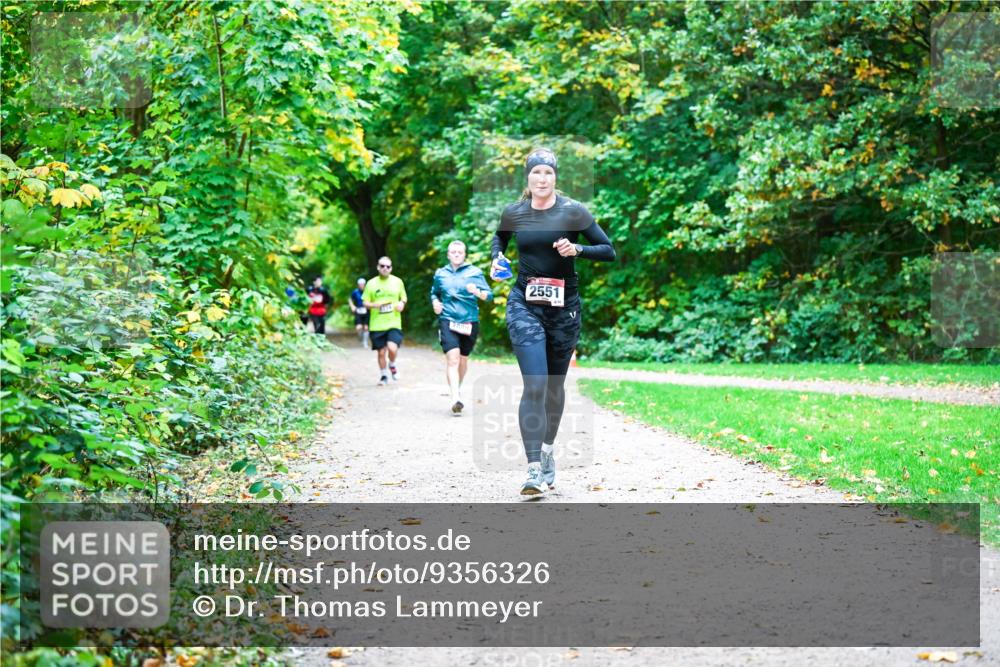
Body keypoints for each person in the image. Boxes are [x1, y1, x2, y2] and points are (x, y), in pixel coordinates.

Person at [490, 147, 615, 496]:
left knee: (554, 388)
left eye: (548, 173)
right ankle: (532, 469)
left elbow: (609, 250)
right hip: (524, 305)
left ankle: (546, 452)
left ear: (555, 177)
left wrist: (578, 250)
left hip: (564, 309)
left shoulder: (573, 211)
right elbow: (499, 238)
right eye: (535, 173)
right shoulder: (514, 212)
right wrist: (496, 257)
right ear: (527, 178)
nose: (542, 179)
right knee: (535, 384)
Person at [431, 240, 493, 415]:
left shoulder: (475, 272)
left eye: (460, 252)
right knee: (453, 359)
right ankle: (455, 397)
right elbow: (434, 292)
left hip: (469, 321)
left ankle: (457, 388)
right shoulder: (441, 274)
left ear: (464, 254)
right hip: (447, 320)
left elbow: (489, 296)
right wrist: (436, 302)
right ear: (448, 254)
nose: (457, 254)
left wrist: (477, 292)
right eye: (453, 252)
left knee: (463, 360)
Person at [362, 256, 407, 385]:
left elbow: (403, 298)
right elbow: (365, 302)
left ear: (391, 268)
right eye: (382, 266)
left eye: (388, 266)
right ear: (378, 267)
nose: (385, 268)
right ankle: (383, 376)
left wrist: (401, 304)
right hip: (377, 324)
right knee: (381, 352)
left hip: (394, 322)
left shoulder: (398, 282)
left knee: (392, 348)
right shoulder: (371, 284)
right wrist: (375, 305)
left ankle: (392, 364)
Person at [349, 278, 370, 348]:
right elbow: (350, 299)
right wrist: (352, 306)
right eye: (360, 284)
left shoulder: (368, 292)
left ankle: (365, 342)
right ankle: (361, 338)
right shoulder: (355, 292)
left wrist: (370, 305)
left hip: (367, 311)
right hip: (358, 311)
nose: (361, 286)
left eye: (363, 284)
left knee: (366, 327)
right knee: (359, 327)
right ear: (358, 285)